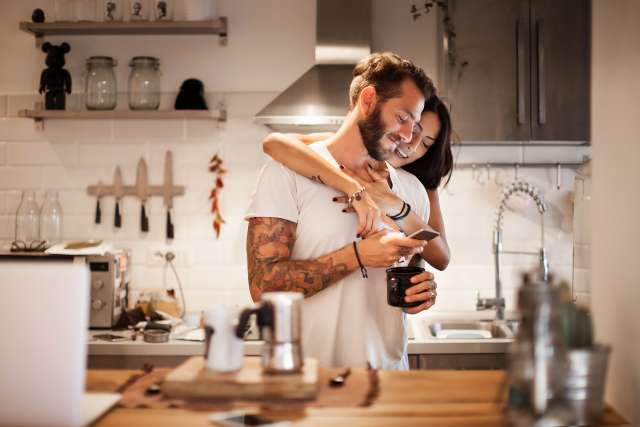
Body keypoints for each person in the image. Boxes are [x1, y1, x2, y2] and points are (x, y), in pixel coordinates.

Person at [246, 52, 438, 369]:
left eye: (414, 124)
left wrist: (423, 290)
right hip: (306, 386)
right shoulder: (284, 174)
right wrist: (359, 255)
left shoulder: (410, 191)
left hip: (387, 383)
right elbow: (262, 285)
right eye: (402, 118)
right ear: (368, 100)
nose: (408, 136)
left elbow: (409, 274)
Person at [262, 94, 453, 271]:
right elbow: (274, 143)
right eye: (413, 128)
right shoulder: (341, 150)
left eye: (427, 143)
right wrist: (350, 184)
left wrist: (393, 204)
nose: (412, 144)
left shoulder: (418, 184)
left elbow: (440, 257)